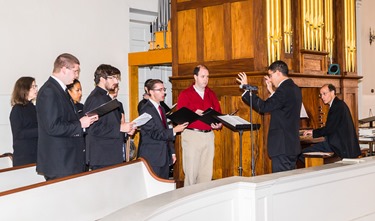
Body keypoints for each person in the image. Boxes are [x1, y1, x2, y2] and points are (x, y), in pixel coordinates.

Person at [36, 53, 98, 180]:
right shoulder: (49, 91)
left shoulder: (60, 89)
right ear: (64, 69)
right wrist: (80, 124)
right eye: (75, 71)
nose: (77, 75)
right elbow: (52, 127)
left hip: (68, 161)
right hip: (60, 163)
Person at [237, 60, 302, 173]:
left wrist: (247, 90)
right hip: (291, 145)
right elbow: (282, 106)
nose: (270, 79)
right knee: (288, 183)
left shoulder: (283, 90)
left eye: (271, 75)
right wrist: (272, 91)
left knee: (281, 184)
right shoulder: (294, 88)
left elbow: (264, 107)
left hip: (282, 147)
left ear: (278, 73)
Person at [177, 65, 222, 186]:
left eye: (207, 77)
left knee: (206, 173)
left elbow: (218, 114)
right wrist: (193, 113)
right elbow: (180, 118)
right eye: (202, 76)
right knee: (191, 172)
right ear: (195, 77)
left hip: (208, 135)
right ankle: (189, 202)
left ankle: (203, 201)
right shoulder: (185, 94)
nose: (205, 79)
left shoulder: (211, 94)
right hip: (192, 135)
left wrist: (218, 124)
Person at [83, 64, 136, 170]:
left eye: (117, 78)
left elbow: (109, 124)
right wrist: (120, 128)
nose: (116, 82)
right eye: (113, 78)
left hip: (109, 155)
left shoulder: (105, 97)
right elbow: (93, 129)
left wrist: (126, 129)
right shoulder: (96, 98)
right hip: (102, 157)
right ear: (102, 79)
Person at [138, 79, 188, 179]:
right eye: (160, 90)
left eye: (164, 89)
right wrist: (174, 130)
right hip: (152, 156)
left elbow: (165, 129)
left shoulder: (161, 108)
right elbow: (154, 133)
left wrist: (172, 152)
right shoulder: (146, 109)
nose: (163, 92)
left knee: (164, 187)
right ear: (151, 92)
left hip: (164, 155)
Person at [301, 84, 361, 159]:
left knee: (302, 154)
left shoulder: (337, 106)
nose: (322, 97)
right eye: (321, 95)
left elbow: (329, 129)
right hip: (339, 143)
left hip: (339, 146)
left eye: (324, 94)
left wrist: (313, 132)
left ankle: (317, 169)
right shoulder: (337, 104)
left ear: (332, 93)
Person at [9, 77, 38, 166]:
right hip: (24, 157)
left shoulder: (34, 108)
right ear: (24, 89)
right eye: (33, 86)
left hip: (36, 154)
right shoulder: (17, 109)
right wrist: (40, 130)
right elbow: (19, 133)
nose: (36, 89)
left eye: (35, 86)